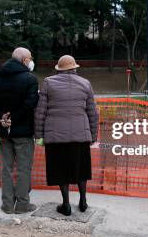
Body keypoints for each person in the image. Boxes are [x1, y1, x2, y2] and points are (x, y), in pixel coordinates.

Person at [34, 55, 99, 216]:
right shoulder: (85, 83)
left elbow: (40, 112)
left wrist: (39, 135)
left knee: (61, 170)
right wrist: (92, 135)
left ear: (59, 69)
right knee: (81, 169)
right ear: (75, 68)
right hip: (80, 135)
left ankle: (66, 205)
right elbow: (93, 113)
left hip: (56, 136)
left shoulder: (49, 83)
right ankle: (83, 201)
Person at [0, 47, 39, 214]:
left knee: (6, 168)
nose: (31, 60)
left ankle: (7, 204)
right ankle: (22, 204)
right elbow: (30, 104)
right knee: (24, 168)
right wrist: (13, 118)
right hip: (23, 132)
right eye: (30, 57)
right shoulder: (30, 80)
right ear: (24, 60)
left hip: (4, 131)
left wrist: (2, 117)